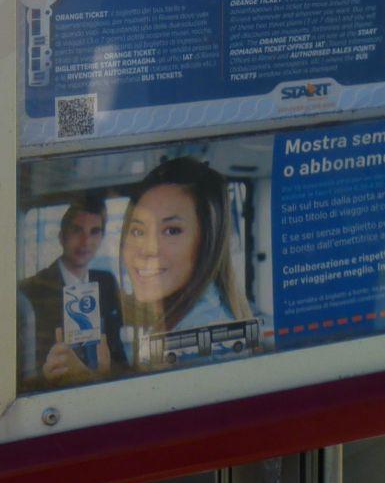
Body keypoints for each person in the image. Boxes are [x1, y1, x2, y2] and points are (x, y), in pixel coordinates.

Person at [118, 157, 255, 368]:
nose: (147, 250)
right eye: (137, 231)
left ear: (206, 243)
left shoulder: (198, 341)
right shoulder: (191, 316)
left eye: (172, 231)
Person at [17, 192, 126, 389]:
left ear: (102, 237)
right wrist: (45, 377)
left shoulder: (106, 283)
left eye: (94, 232)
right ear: (62, 236)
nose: (86, 241)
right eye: (77, 230)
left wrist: (107, 373)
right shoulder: (30, 290)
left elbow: (119, 354)